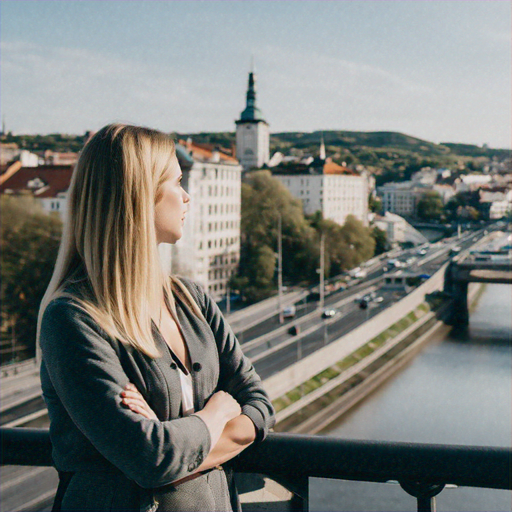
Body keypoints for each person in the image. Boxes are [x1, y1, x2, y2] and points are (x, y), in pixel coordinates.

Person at [37, 124, 275, 512]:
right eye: (178, 182)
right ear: (139, 196)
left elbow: (260, 405)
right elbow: (151, 459)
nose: (186, 197)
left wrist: (174, 445)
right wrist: (216, 412)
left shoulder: (191, 299)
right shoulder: (72, 318)